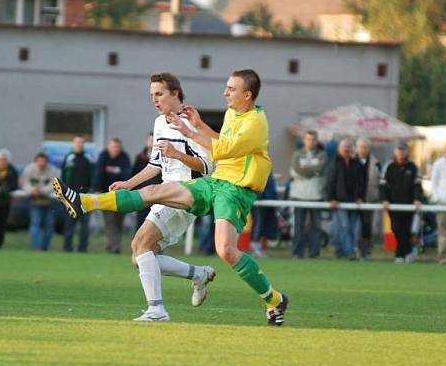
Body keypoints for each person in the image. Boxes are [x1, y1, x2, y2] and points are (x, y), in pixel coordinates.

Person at [54, 69, 290, 326]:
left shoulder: (255, 123)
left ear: (247, 94)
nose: (225, 93)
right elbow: (219, 141)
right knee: (146, 222)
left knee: (225, 251)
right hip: (214, 183)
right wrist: (198, 126)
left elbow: (222, 150)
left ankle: (274, 299)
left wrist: (190, 131)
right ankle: (85, 202)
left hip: (235, 190)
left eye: (231, 89)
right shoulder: (231, 113)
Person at [103, 72, 214, 321]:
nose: (155, 99)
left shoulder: (192, 123)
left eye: (159, 93)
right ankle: (198, 274)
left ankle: (157, 310)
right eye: (152, 95)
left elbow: (208, 167)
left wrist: (178, 154)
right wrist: (128, 184)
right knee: (139, 256)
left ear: (176, 93)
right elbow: (156, 165)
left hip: (186, 194)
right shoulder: (159, 122)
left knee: (141, 244)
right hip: (164, 191)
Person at [380, 142, 423, 263]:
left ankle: (400, 255)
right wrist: (384, 199)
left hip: (409, 206)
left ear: (407, 152)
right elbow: (383, 185)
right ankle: (407, 252)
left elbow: (417, 185)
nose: (401, 153)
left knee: (407, 231)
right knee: (396, 229)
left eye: (403, 150)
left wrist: (417, 199)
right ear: (395, 152)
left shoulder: (413, 167)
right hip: (394, 206)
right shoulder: (389, 166)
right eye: (399, 150)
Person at [289, 130, 327, 258]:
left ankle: (314, 253)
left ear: (317, 141)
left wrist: (306, 170)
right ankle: (297, 253)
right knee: (298, 226)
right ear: (304, 140)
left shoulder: (322, 155)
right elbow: (298, 169)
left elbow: (320, 168)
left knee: (316, 227)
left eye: (313, 139)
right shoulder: (296, 154)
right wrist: (312, 171)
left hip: (316, 196)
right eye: (308, 139)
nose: (311, 141)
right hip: (298, 196)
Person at [93, 137, 131, 253]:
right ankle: (113, 246)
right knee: (109, 221)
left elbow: (127, 174)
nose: (115, 149)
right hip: (106, 194)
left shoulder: (124, 158)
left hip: (121, 195)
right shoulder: (103, 157)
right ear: (109, 147)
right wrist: (97, 190)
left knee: (119, 222)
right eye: (113, 147)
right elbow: (98, 174)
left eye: (117, 147)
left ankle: (115, 245)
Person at [327, 139, 363, 259]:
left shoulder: (356, 163)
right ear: (339, 149)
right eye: (344, 146)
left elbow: (360, 182)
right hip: (339, 202)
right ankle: (349, 252)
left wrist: (359, 197)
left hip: (353, 202)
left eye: (348, 146)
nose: (346, 149)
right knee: (345, 227)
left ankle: (342, 251)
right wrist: (331, 198)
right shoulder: (334, 162)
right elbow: (330, 182)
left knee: (352, 228)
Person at [21, 152, 59, 251]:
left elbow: (54, 185)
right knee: (35, 224)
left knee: (49, 226)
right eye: (39, 161)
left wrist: (40, 190)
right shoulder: (29, 169)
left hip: (49, 202)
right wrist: (31, 190)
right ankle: (36, 247)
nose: (41, 163)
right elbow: (25, 183)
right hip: (35, 201)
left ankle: (45, 247)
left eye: (44, 161)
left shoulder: (53, 170)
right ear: (35, 161)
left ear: (47, 162)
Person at [61, 136, 93, 252]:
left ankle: (82, 248)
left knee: (84, 225)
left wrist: (91, 189)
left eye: (81, 142)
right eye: (77, 142)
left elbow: (93, 175)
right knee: (69, 224)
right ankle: (67, 247)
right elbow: (63, 176)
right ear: (73, 144)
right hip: (71, 196)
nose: (79, 144)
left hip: (86, 196)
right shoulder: (69, 158)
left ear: (84, 144)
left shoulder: (88, 158)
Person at [355, 138, 381, 259]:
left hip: (369, 200)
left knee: (367, 227)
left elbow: (380, 182)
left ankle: (366, 252)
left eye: (365, 147)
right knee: (352, 228)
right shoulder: (351, 161)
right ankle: (352, 251)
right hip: (353, 201)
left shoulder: (376, 163)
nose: (363, 149)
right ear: (357, 148)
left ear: (369, 149)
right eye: (361, 147)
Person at [131, 132, 162, 228]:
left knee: (155, 225)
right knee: (140, 223)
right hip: (142, 195)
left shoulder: (163, 158)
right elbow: (134, 175)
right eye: (150, 140)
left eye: (154, 140)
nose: (152, 143)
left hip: (158, 196)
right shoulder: (140, 158)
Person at [250, 171, 278, 258]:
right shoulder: (256, 165)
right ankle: (255, 247)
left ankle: (258, 248)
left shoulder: (266, 165)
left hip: (268, 199)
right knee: (258, 224)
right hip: (259, 200)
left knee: (264, 224)